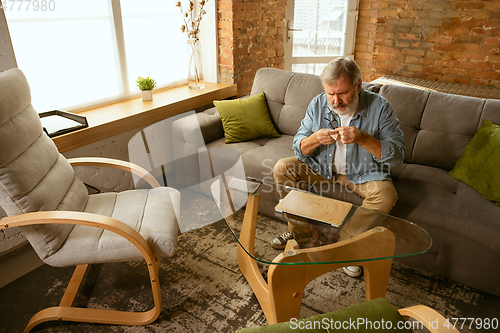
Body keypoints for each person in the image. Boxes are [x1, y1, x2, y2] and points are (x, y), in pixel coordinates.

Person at [272, 58, 405, 277]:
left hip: (362, 173)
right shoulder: (318, 103)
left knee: (386, 195)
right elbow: (299, 147)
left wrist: (363, 138)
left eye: (343, 93)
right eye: (330, 94)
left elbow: (397, 155)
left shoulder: (381, 108)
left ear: (358, 86)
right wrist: (314, 139)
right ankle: (301, 235)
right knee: (282, 167)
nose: (336, 100)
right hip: (321, 168)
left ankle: (345, 245)